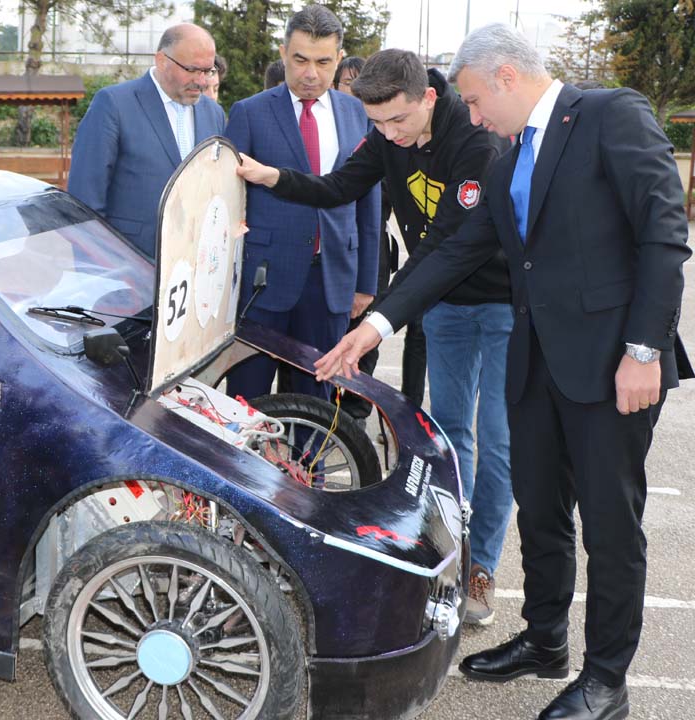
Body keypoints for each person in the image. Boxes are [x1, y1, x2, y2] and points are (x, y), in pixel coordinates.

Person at [315, 24, 692, 720]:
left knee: (611, 524)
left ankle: (607, 680)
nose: (475, 117)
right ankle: (546, 639)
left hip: (614, 363)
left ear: (507, 76)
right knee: (541, 505)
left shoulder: (612, 114)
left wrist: (646, 349)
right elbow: (455, 251)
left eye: (476, 100)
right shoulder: (509, 156)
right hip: (537, 359)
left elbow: (665, 233)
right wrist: (374, 326)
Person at [237, 48, 511, 626]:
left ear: (429, 98)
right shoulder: (386, 132)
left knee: (498, 438)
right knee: (448, 434)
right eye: (378, 124)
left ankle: (481, 566)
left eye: (399, 122)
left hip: (503, 300)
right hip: (443, 302)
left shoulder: (477, 143)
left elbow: (445, 246)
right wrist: (272, 177)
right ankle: (450, 555)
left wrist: (375, 322)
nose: (390, 135)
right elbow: (341, 186)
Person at [223, 4, 380, 402]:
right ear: (283, 54)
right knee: (248, 397)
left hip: (331, 282)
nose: (311, 73)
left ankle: (310, 468)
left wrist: (365, 282)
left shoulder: (357, 114)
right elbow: (226, 204)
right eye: (300, 60)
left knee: (318, 399)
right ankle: (244, 466)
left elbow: (368, 202)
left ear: (339, 58)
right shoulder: (249, 113)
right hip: (263, 283)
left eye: (323, 61)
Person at [68, 24, 225, 257]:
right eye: (192, 70)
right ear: (162, 60)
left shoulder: (214, 114)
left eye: (208, 71)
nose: (202, 81)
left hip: (192, 270)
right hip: (127, 266)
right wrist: (99, 269)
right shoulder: (114, 104)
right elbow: (85, 199)